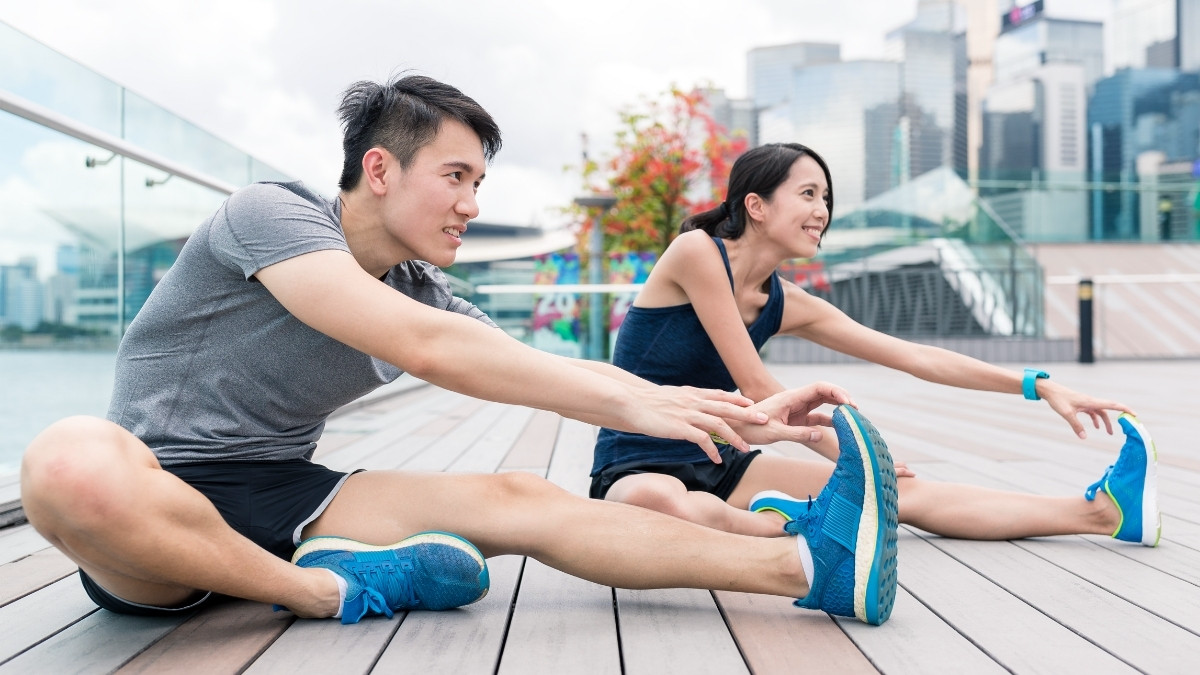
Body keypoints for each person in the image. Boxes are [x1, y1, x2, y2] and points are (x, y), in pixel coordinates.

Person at [19, 77, 900, 627]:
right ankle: (326, 590)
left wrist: (723, 410)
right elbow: (424, 347)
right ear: (377, 170)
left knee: (519, 495)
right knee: (66, 464)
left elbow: (535, 364)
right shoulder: (268, 215)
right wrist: (638, 407)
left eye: (480, 182)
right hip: (150, 487)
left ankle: (805, 565)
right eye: (457, 177)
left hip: (278, 489)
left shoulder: (423, 287)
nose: (472, 203)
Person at [590, 142, 1159, 549]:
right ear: (756, 206)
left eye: (827, 198)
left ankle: (1101, 512)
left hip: (723, 460)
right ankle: (794, 531)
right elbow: (760, 387)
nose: (823, 211)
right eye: (807, 193)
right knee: (659, 505)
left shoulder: (786, 302)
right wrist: (850, 453)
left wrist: (1039, 385)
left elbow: (916, 357)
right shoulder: (697, 254)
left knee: (899, 494)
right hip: (638, 463)